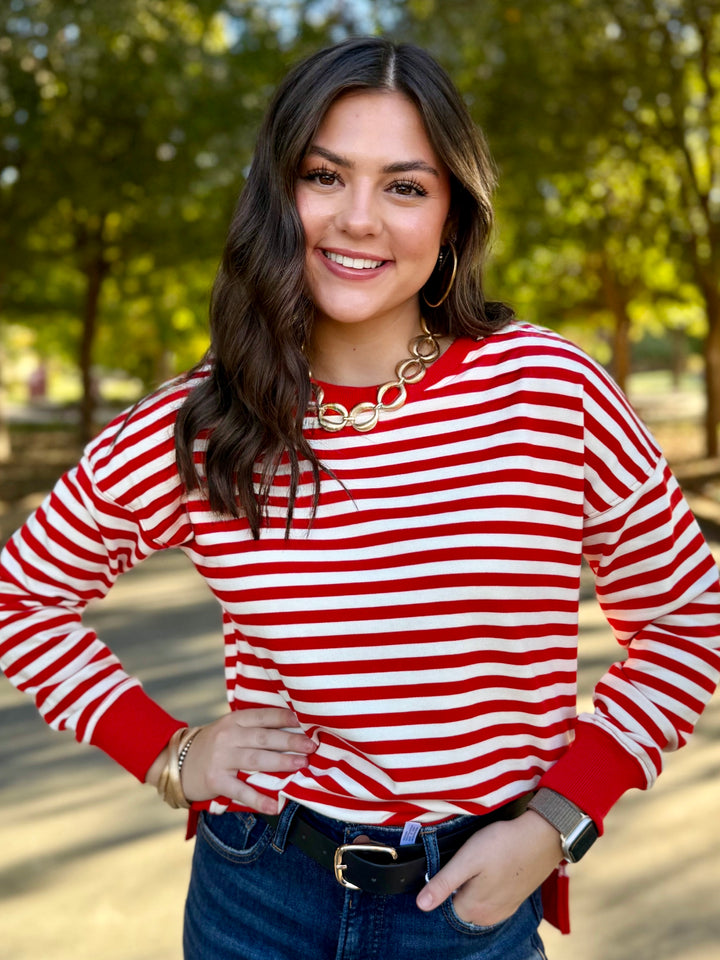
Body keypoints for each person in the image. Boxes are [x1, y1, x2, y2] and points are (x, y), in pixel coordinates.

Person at [0, 36, 718, 960]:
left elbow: (686, 620)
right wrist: (172, 755)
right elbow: (23, 596)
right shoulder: (207, 417)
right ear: (279, 194)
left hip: (476, 899)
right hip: (256, 894)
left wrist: (558, 823)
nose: (358, 219)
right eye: (324, 175)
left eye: (406, 186)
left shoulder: (549, 392)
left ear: (453, 215)